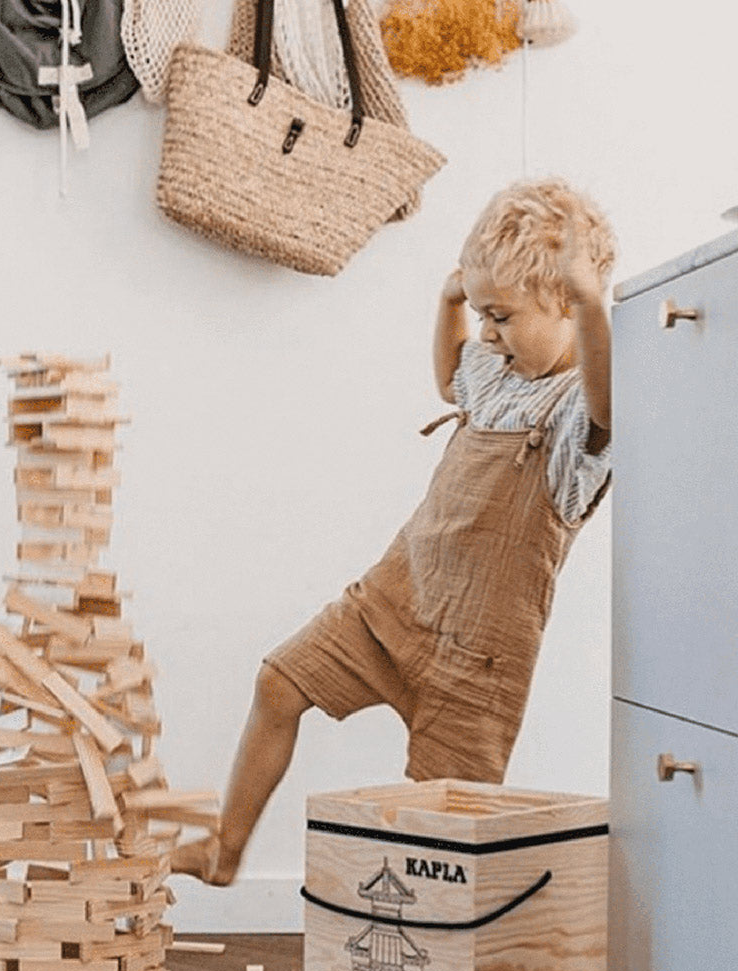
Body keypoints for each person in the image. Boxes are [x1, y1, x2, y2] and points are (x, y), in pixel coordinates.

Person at [174, 177, 616, 886]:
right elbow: (450, 380)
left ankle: (431, 943)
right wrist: (450, 304)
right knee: (278, 683)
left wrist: (594, 302)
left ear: (565, 301)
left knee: (442, 834)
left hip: (477, 664)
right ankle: (224, 852)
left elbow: (607, 401)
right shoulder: (500, 373)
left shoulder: (576, 418)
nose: (489, 334)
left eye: (501, 316)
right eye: (484, 315)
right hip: (394, 602)